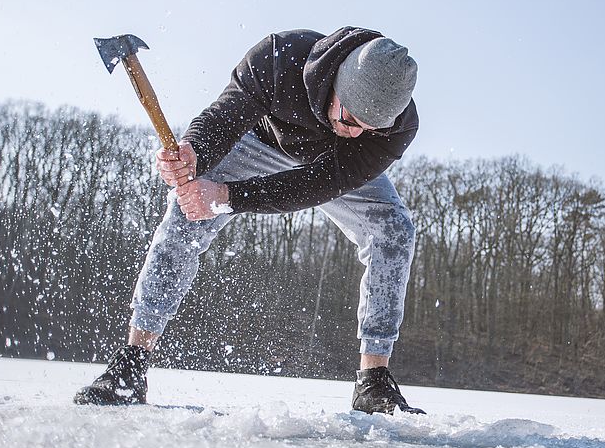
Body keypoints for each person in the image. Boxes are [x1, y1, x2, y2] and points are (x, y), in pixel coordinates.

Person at [74, 26, 424, 415]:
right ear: (337, 82)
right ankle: (132, 362)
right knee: (186, 212)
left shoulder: (397, 128)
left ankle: (373, 382)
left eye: (368, 129)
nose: (355, 131)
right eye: (349, 118)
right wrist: (195, 156)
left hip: (327, 168)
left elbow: (317, 185)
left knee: (393, 229)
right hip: (257, 143)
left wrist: (228, 198)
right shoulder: (280, 57)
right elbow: (224, 119)